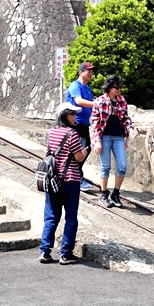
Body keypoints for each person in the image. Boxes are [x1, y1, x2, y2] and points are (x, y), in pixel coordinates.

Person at [39, 102, 89, 265]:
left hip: (53, 180)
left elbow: (50, 153)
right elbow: (78, 157)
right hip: (70, 180)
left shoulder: (52, 132)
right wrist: (85, 150)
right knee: (71, 217)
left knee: (51, 217)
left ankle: (45, 251)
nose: (75, 117)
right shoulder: (72, 134)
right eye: (72, 114)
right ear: (65, 115)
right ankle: (66, 253)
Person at [89, 75, 135, 209]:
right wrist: (97, 141)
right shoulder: (100, 101)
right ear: (109, 88)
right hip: (104, 137)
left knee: (122, 167)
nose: (119, 90)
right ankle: (103, 193)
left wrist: (130, 129)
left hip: (119, 137)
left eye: (120, 87)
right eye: (116, 87)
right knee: (106, 167)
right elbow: (95, 123)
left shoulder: (121, 100)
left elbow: (125, 118)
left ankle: (115, 193)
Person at [65, 61, 96, 191]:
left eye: (91, 71)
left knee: (86, 148)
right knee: (78, 150)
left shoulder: (88, 89)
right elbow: (79, 101)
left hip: (83, 124)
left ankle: (76, 173)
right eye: (88, 71)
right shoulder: (75, 85)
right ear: (81, 72)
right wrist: (96, 104)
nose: (90, 74)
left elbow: (89, 106)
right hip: (74, 123)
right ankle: (75, 175)